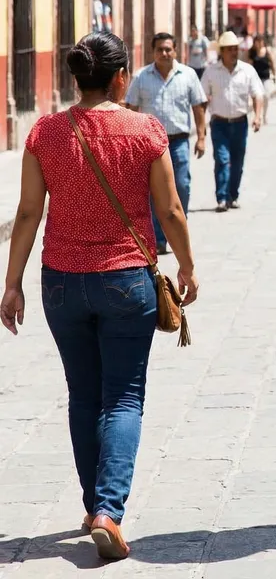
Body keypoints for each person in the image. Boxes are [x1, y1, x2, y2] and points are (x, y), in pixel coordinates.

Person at [0, 32, 199, 561]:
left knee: (84, 395)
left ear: (75, 77)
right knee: (124, 396)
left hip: (61, 281)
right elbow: (172, 210)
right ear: (120, 77)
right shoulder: (144, 130)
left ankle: (94, 506)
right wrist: (189, 267)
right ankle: (109, 509)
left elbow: (26, 214)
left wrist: (12, 281)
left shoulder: (44, 132)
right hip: (125, 280)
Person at [126, 33, 207, 255]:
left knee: (182, 185)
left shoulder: (188, 75)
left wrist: (200, 137)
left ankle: (178, 226)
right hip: (149, 145)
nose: (164, 53)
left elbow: (198, 107)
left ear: (176, 51)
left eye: (168, 49)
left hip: (178, 141)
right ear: (153, 52)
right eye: (160, 49)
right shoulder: (141, 77)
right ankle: (159, 239)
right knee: (153, 191)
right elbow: (130, 108)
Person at [201, 30, 265, 213]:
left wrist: (258, 116)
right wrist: (201, 126)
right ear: (222, 51)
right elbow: (202, 97)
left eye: (235, 48)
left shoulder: (247, 70)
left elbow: (258, 94)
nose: (233, 52)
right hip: (219, 123)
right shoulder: (211, 71)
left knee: (237, 161)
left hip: (240, 123)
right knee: (222, 159)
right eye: (229, 49)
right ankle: (221, 198)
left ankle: (233, 195)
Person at [248, 34, 275, 125]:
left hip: (266, 77)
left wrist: (274, 75)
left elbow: (272, 63)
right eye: (257, 41)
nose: (259, 43)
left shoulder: (267, 51)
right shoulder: (252, 52)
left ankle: (264, 115)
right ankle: (257, 115)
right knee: (257, 97)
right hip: (256, 79)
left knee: (266, 96)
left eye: (260, 41)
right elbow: (249, 65)